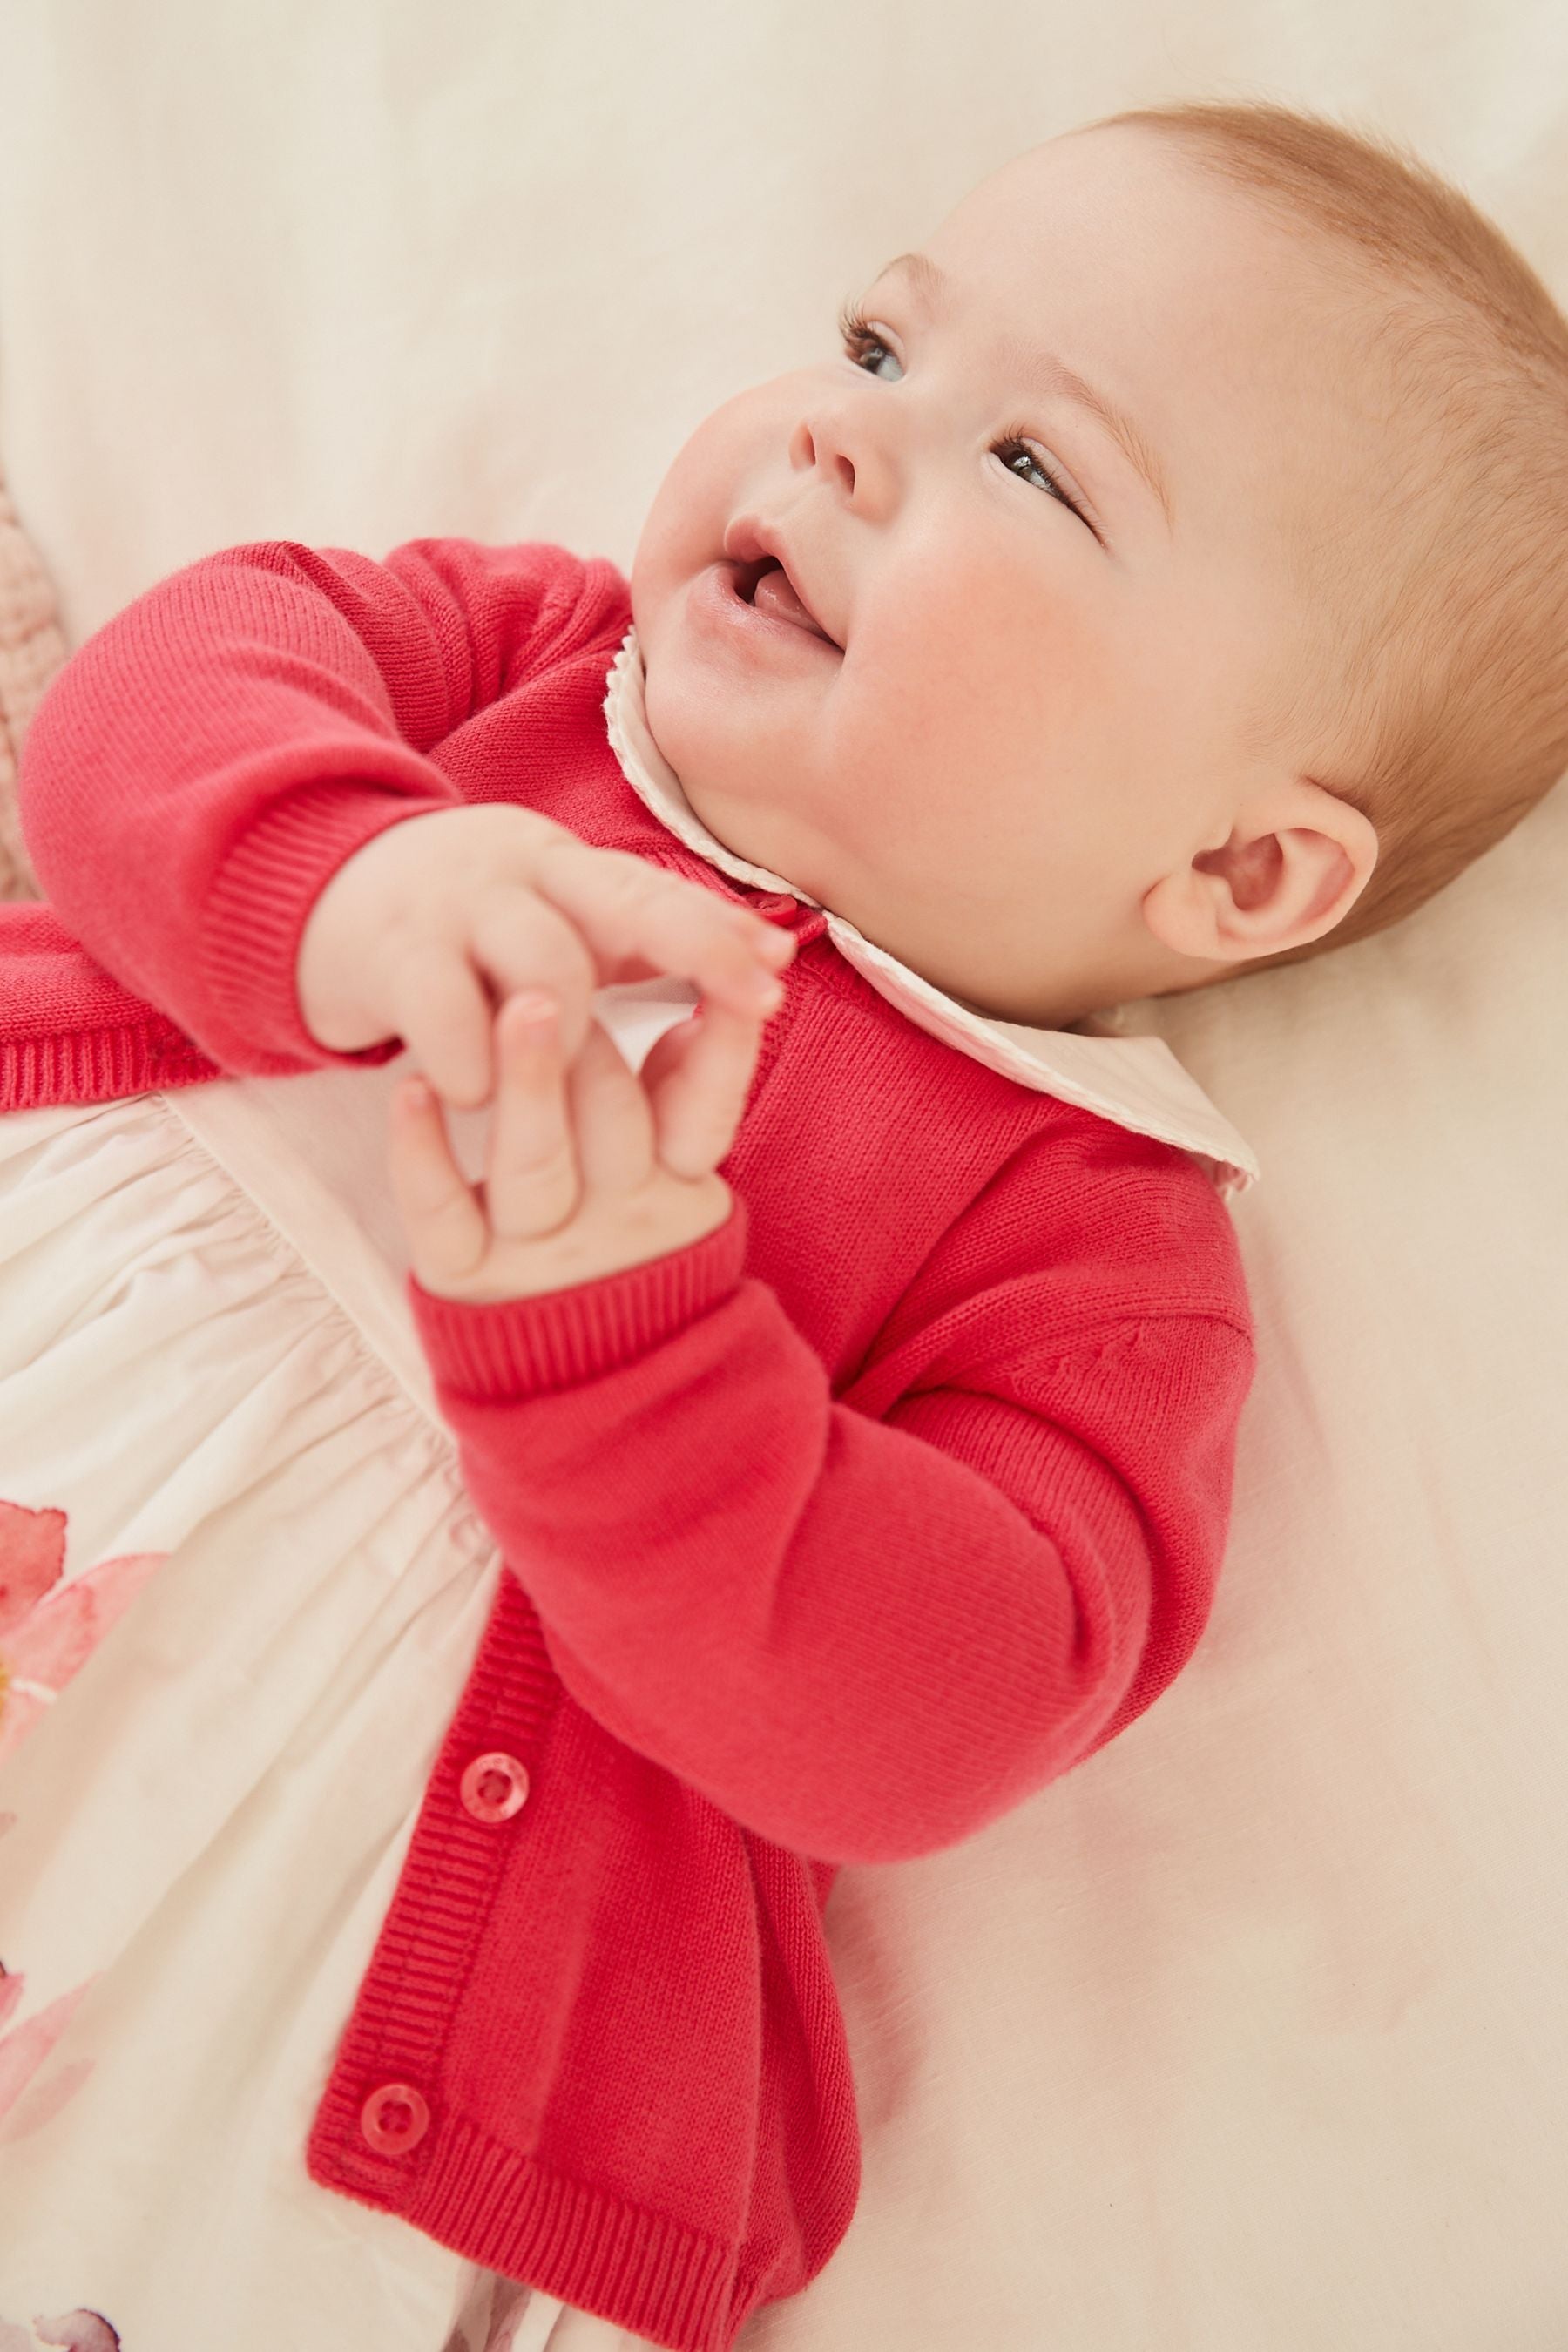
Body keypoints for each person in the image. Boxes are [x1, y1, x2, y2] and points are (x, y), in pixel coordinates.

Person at [2, 94, 1566, 2352]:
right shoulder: (524, 672)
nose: (845, 443)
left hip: (301, 2008)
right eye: (874, 344)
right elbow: (143, 709)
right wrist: (340, 882)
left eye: (1033, 468)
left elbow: (932, 1716)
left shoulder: (1095, 1239)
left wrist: (618, 1343)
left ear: (1240, 871)